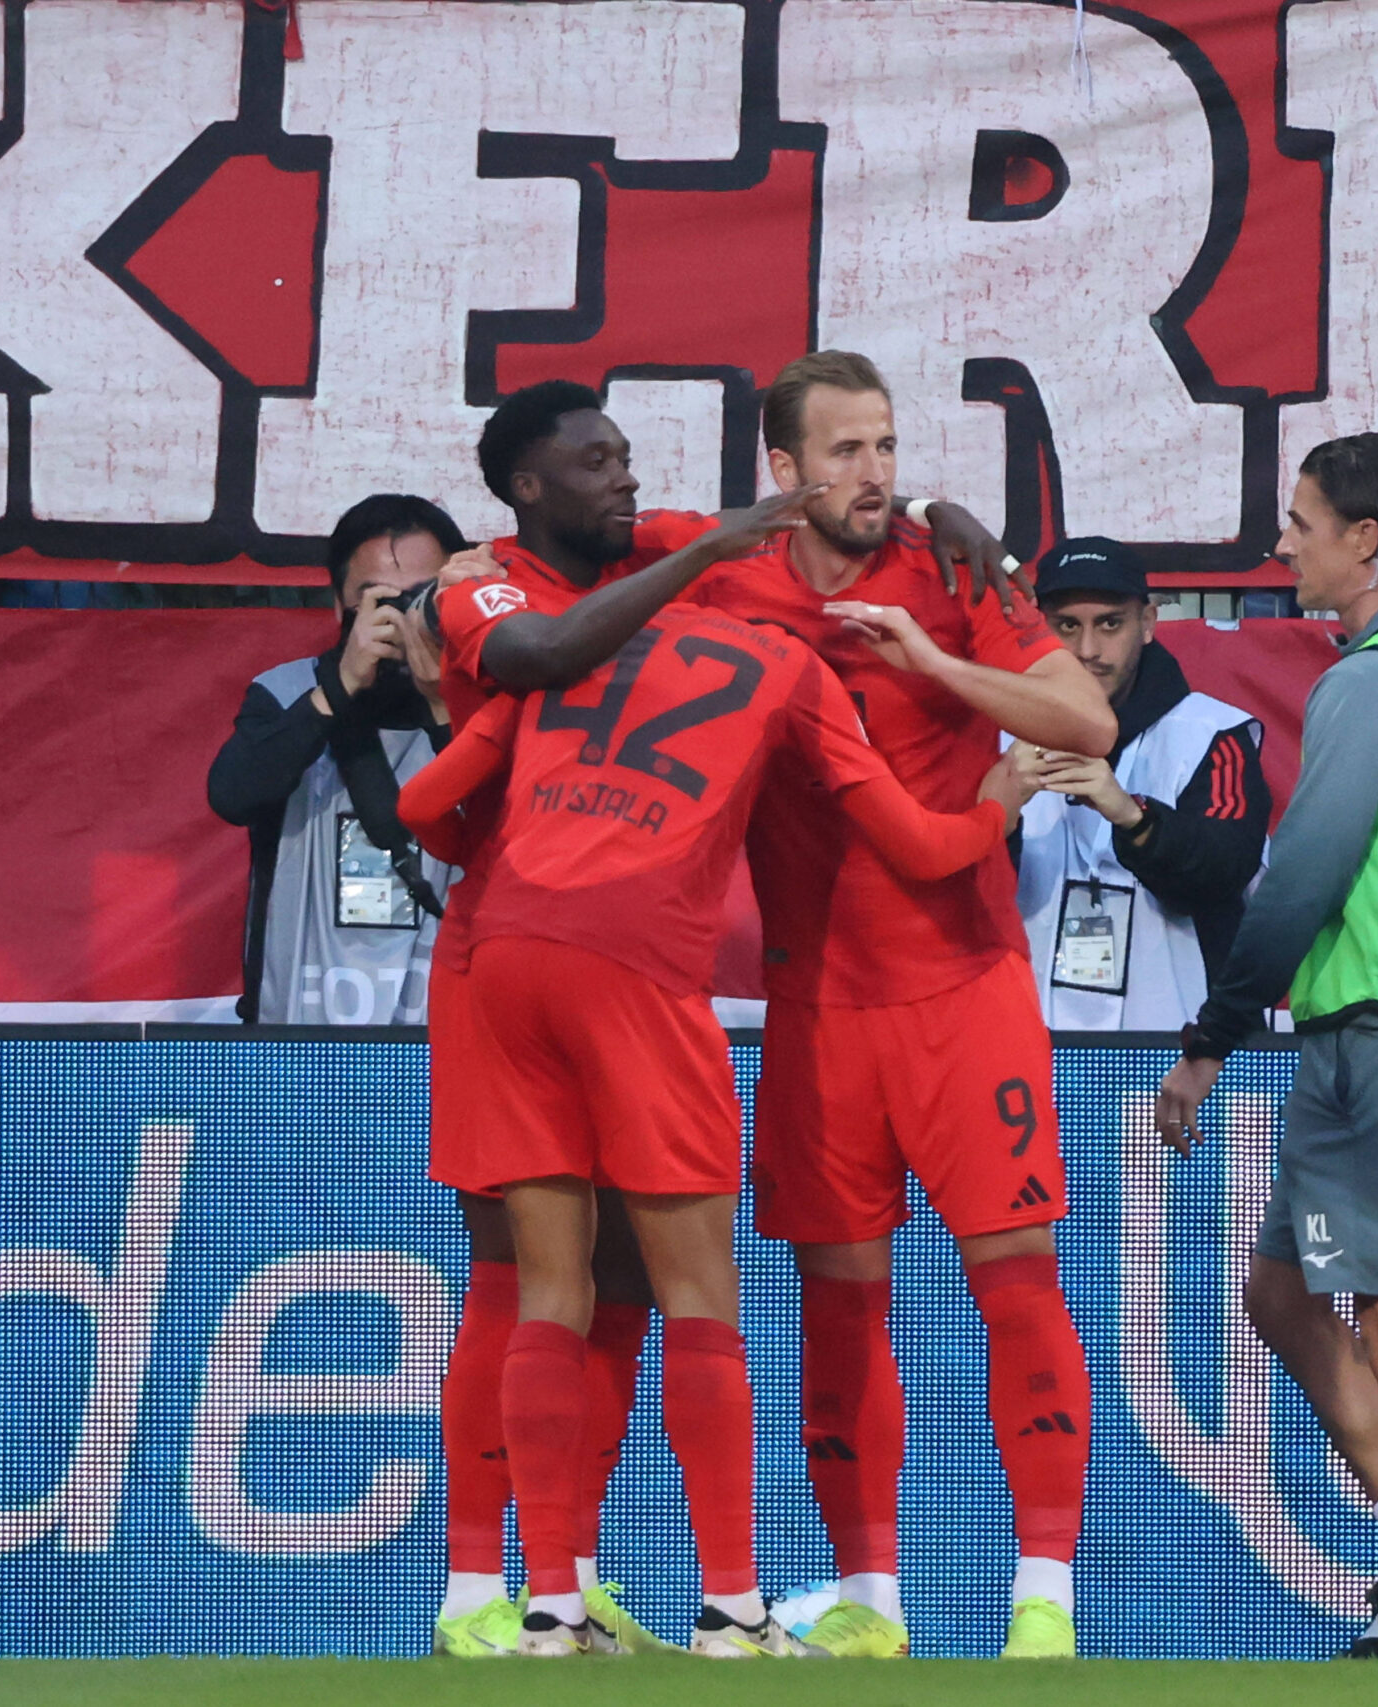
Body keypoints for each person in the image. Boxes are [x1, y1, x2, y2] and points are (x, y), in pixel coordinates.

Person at [415, 379, 1023, 1657]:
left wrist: (922, 503)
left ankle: (543, 1603)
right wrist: (1001, 801)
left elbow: (423, 814)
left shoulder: (579, 637)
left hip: (503, 943)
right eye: (599, 462)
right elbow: (915, 841)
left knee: (547, 1291)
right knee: (693, 1299)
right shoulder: (555, 609)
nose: (627, 482)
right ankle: (731, 1610)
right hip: (635, 969)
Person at [687, 351, 1116, 1661]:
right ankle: (869, 1600)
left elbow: (1081, 714)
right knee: (838, 1302)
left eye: (886, 446)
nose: (875, 473)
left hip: (963, 987)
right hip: (816, 1004)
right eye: (846, 451)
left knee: (1020, 1285)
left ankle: (1044, 1597)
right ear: (784, 470)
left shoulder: (948, 570)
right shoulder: (727, 583)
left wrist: (940, 661)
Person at [1154, 432, 1378, 1663]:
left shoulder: (1372, 680)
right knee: (1282, 1293)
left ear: (1363, 541)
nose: (1284, 543)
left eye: (1301, 521)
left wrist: (1211, 1038)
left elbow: (1303, 869)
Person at [206, 493, 464, 1025]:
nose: (403, 621)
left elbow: (515, 837)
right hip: (295, 1045)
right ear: (337, 605)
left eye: (423, 599)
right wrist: (341, 687)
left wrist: (444, 703)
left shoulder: (493, 704)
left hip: (451, 1045)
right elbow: (232, 795)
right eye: (381, 602)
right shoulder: (288, 692)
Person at [1002, 535, 1270, 1030]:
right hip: (1019, 1037)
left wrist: (1132, 816)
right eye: (1066, 626)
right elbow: (949, 896)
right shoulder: (994, 739)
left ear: (1147, 623)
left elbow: (1225, 871)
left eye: (1110, 624)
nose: (1087, 650)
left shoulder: (1213, 733)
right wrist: (1002, 811)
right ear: (1039, 629)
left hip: (1172, 1046)